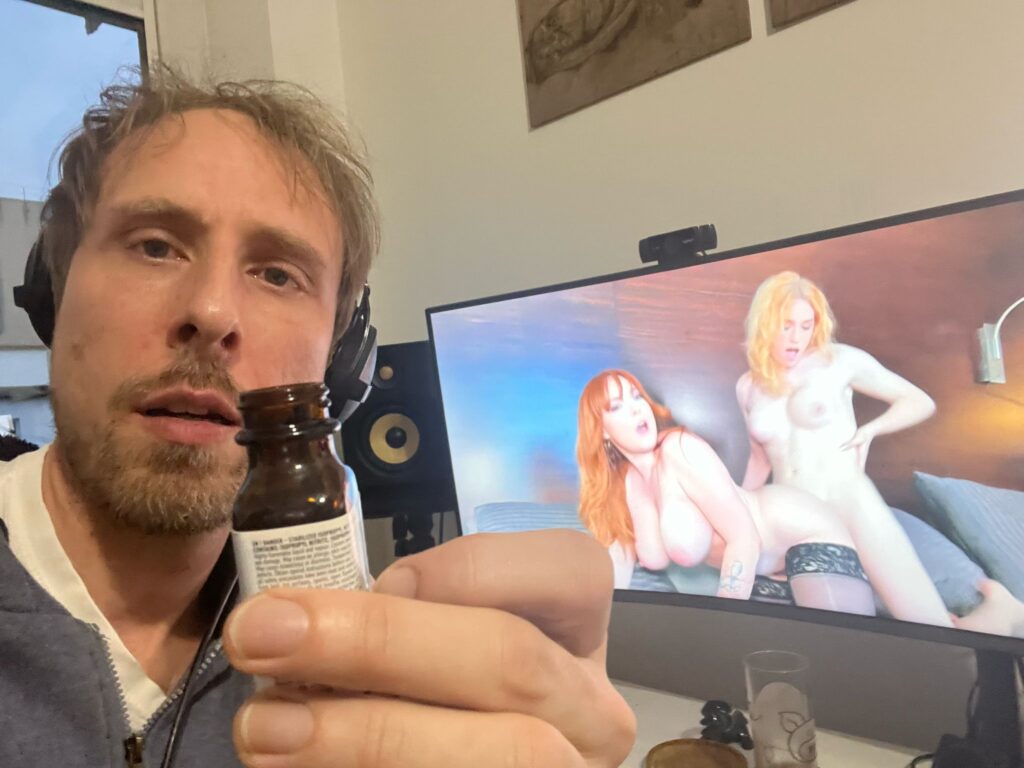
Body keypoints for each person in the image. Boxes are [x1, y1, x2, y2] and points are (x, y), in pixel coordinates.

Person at [0, 67, 635, 766]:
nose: (212, 313)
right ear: (52, 295)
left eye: (278, 275)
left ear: (339, 363)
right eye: (155, 246)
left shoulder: (369, 660)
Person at [736, 270, 956, 627]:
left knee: (928, 624)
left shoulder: (839, 360)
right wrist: (736, 513)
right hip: (793, 516)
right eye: (785, 325)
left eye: (806, 326)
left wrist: (871, 430)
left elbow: (919, 401)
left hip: (847, 499)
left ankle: (1002, 614)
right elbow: (759, 459)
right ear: (764, 323)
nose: (796, 338)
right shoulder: (748, 386)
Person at [576, 369, 877, 615]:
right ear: (602, 431)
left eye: (636, 396)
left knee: (837, 651)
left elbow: (745, 537)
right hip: (761, 571)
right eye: (616, 406)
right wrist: (599, 622)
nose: (636, 408)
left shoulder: (679, 449)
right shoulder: (631, 482)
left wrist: (724, 618)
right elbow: (623, 557)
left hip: (806, 534)